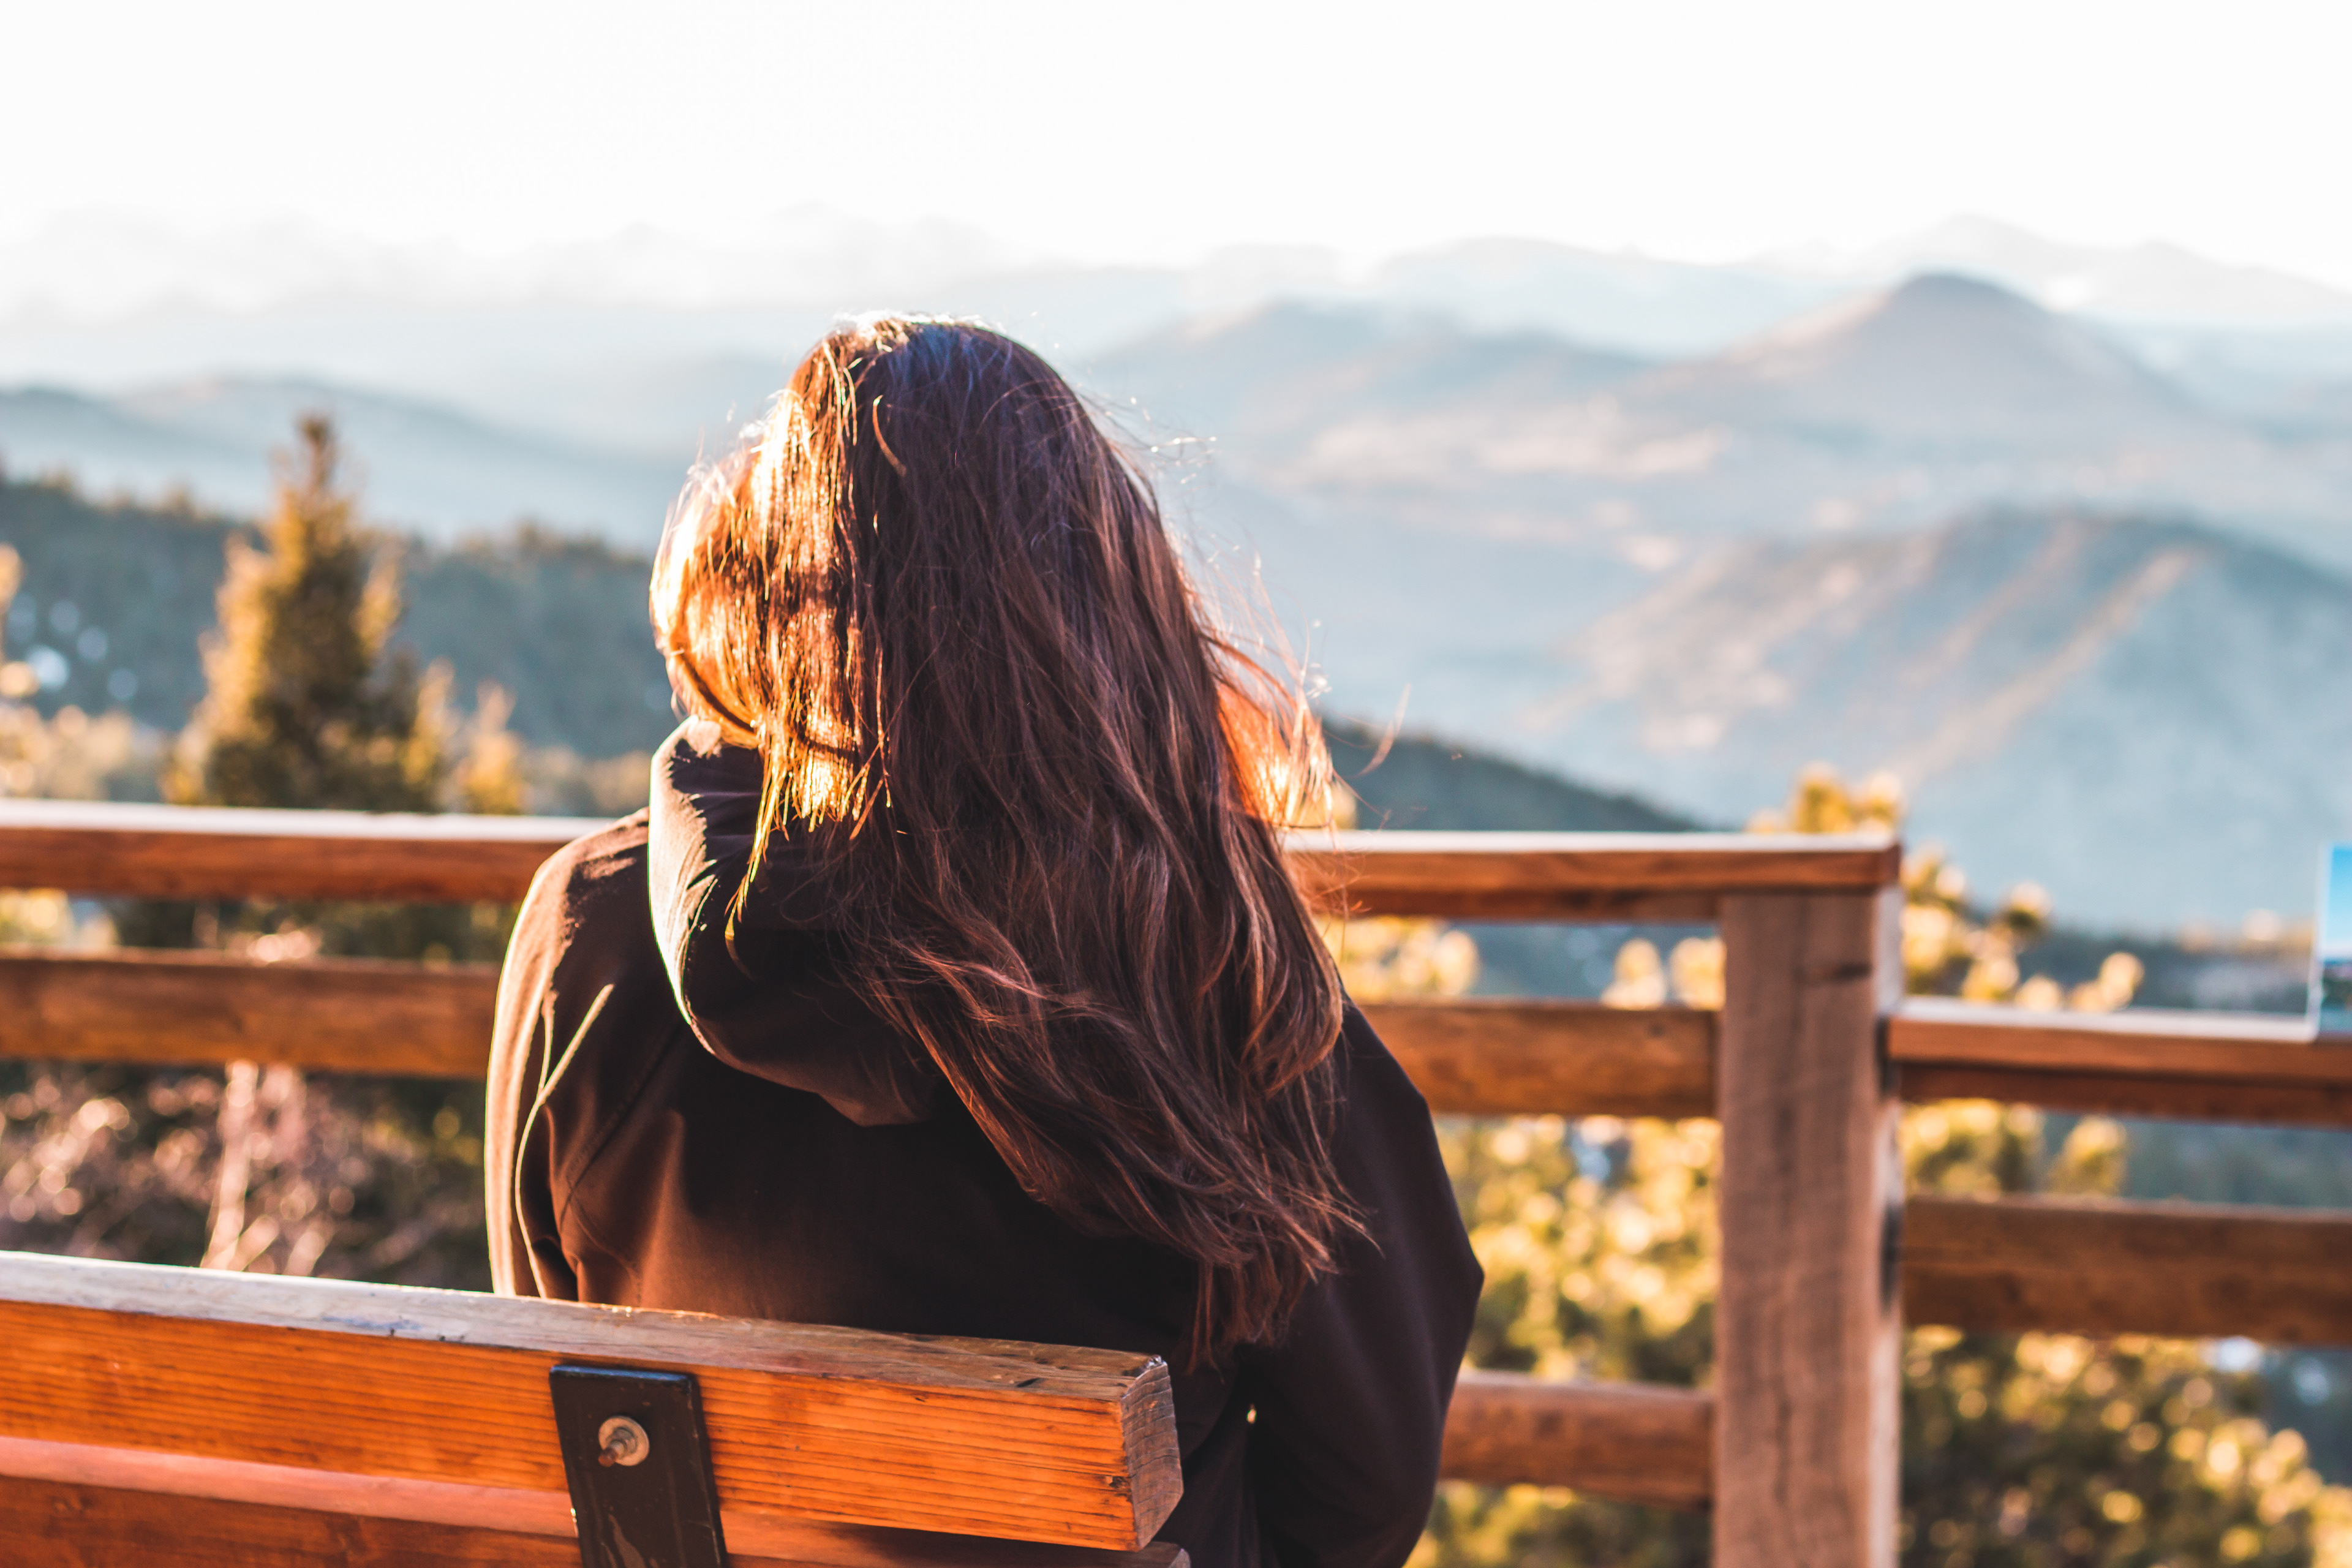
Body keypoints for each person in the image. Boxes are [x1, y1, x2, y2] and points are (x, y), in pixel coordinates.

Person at [484, 315, 1481, 1568]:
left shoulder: (591, 929)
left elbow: (553, 1355)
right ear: (1105, 621)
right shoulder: (1209, 981)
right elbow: (1363, 1492)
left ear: (762, 597)